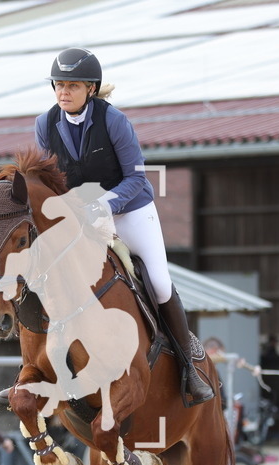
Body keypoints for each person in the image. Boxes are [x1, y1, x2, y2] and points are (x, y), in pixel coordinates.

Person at [34, 47, 214, 405]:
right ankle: (42, 367)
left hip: (129, 210)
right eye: (59, 85)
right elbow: (48, 181)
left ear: (90, 88)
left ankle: (188, 367)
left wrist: (103, 204)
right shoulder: (45, 124)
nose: (63, 92)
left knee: (159, 284)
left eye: (72, 85)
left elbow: (135, 178)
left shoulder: (113, 121)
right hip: (81, 217)